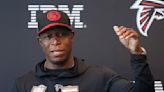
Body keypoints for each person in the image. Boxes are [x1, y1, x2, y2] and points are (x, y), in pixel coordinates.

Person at [11, 10, 155, 92]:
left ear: (71, 36)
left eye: (61, 34)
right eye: (48, 36)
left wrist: (137, 54)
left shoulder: (101, 77)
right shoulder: (23, 84)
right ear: (40, 41)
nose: (55, 41)